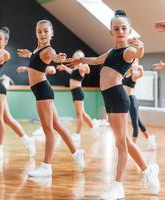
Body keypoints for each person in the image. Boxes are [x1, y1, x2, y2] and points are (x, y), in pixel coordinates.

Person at [66, 10, 160, 199]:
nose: (120, 31)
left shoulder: (129, 51)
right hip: (108, 98)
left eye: (124, 28)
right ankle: (148, 171)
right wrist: (80, 60)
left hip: (118, 96)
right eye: (116, 28)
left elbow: (138, 52)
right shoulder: (111, 52)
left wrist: (141, 47)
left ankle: (117, 186)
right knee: (123, 140)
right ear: (111, 31)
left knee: (120, 144)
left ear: (129, 30)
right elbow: (96, 60)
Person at [16, 19, 86, 177]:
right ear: (36, 32)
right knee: (58, 126)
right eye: (39, 31)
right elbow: (36, 62)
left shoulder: (48, 50)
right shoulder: (37, 50)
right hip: (42, 91)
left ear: (51, 34)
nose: (42, 34)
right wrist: (30, 55)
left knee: (49, 130)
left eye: (45, 31)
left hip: (43, 91)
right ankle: (77, 153)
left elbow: (53, 57)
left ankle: (46, 166)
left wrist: (59, 58)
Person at [0, 27, 35, 160]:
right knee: (7, 119)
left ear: (5, 41)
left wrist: (1, 51)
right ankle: (28, 141)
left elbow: (7, 56)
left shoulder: (2, 54)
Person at [56, 50, 98, 144]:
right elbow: (72, 72)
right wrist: (64, 67)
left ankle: (77, 134)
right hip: (75, 92)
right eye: (76, 56)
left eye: (79, 56)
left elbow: (87, 70)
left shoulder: (82, 66)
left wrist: (84, 62)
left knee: (79, 114)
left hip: (78, 91)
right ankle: (93, 126)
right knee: (82, 113)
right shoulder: (75, 69)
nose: (76, 57)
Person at [123, 59, 156, 149]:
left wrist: (139, 67)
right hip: (127, 100)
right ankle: (150, 139)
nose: (131, 64)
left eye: (133, 63)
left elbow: (141, 74)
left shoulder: (134, 76)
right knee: (139, 122)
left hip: (132, 101)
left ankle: (132, 147)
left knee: (135, 124)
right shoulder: (126, 75)